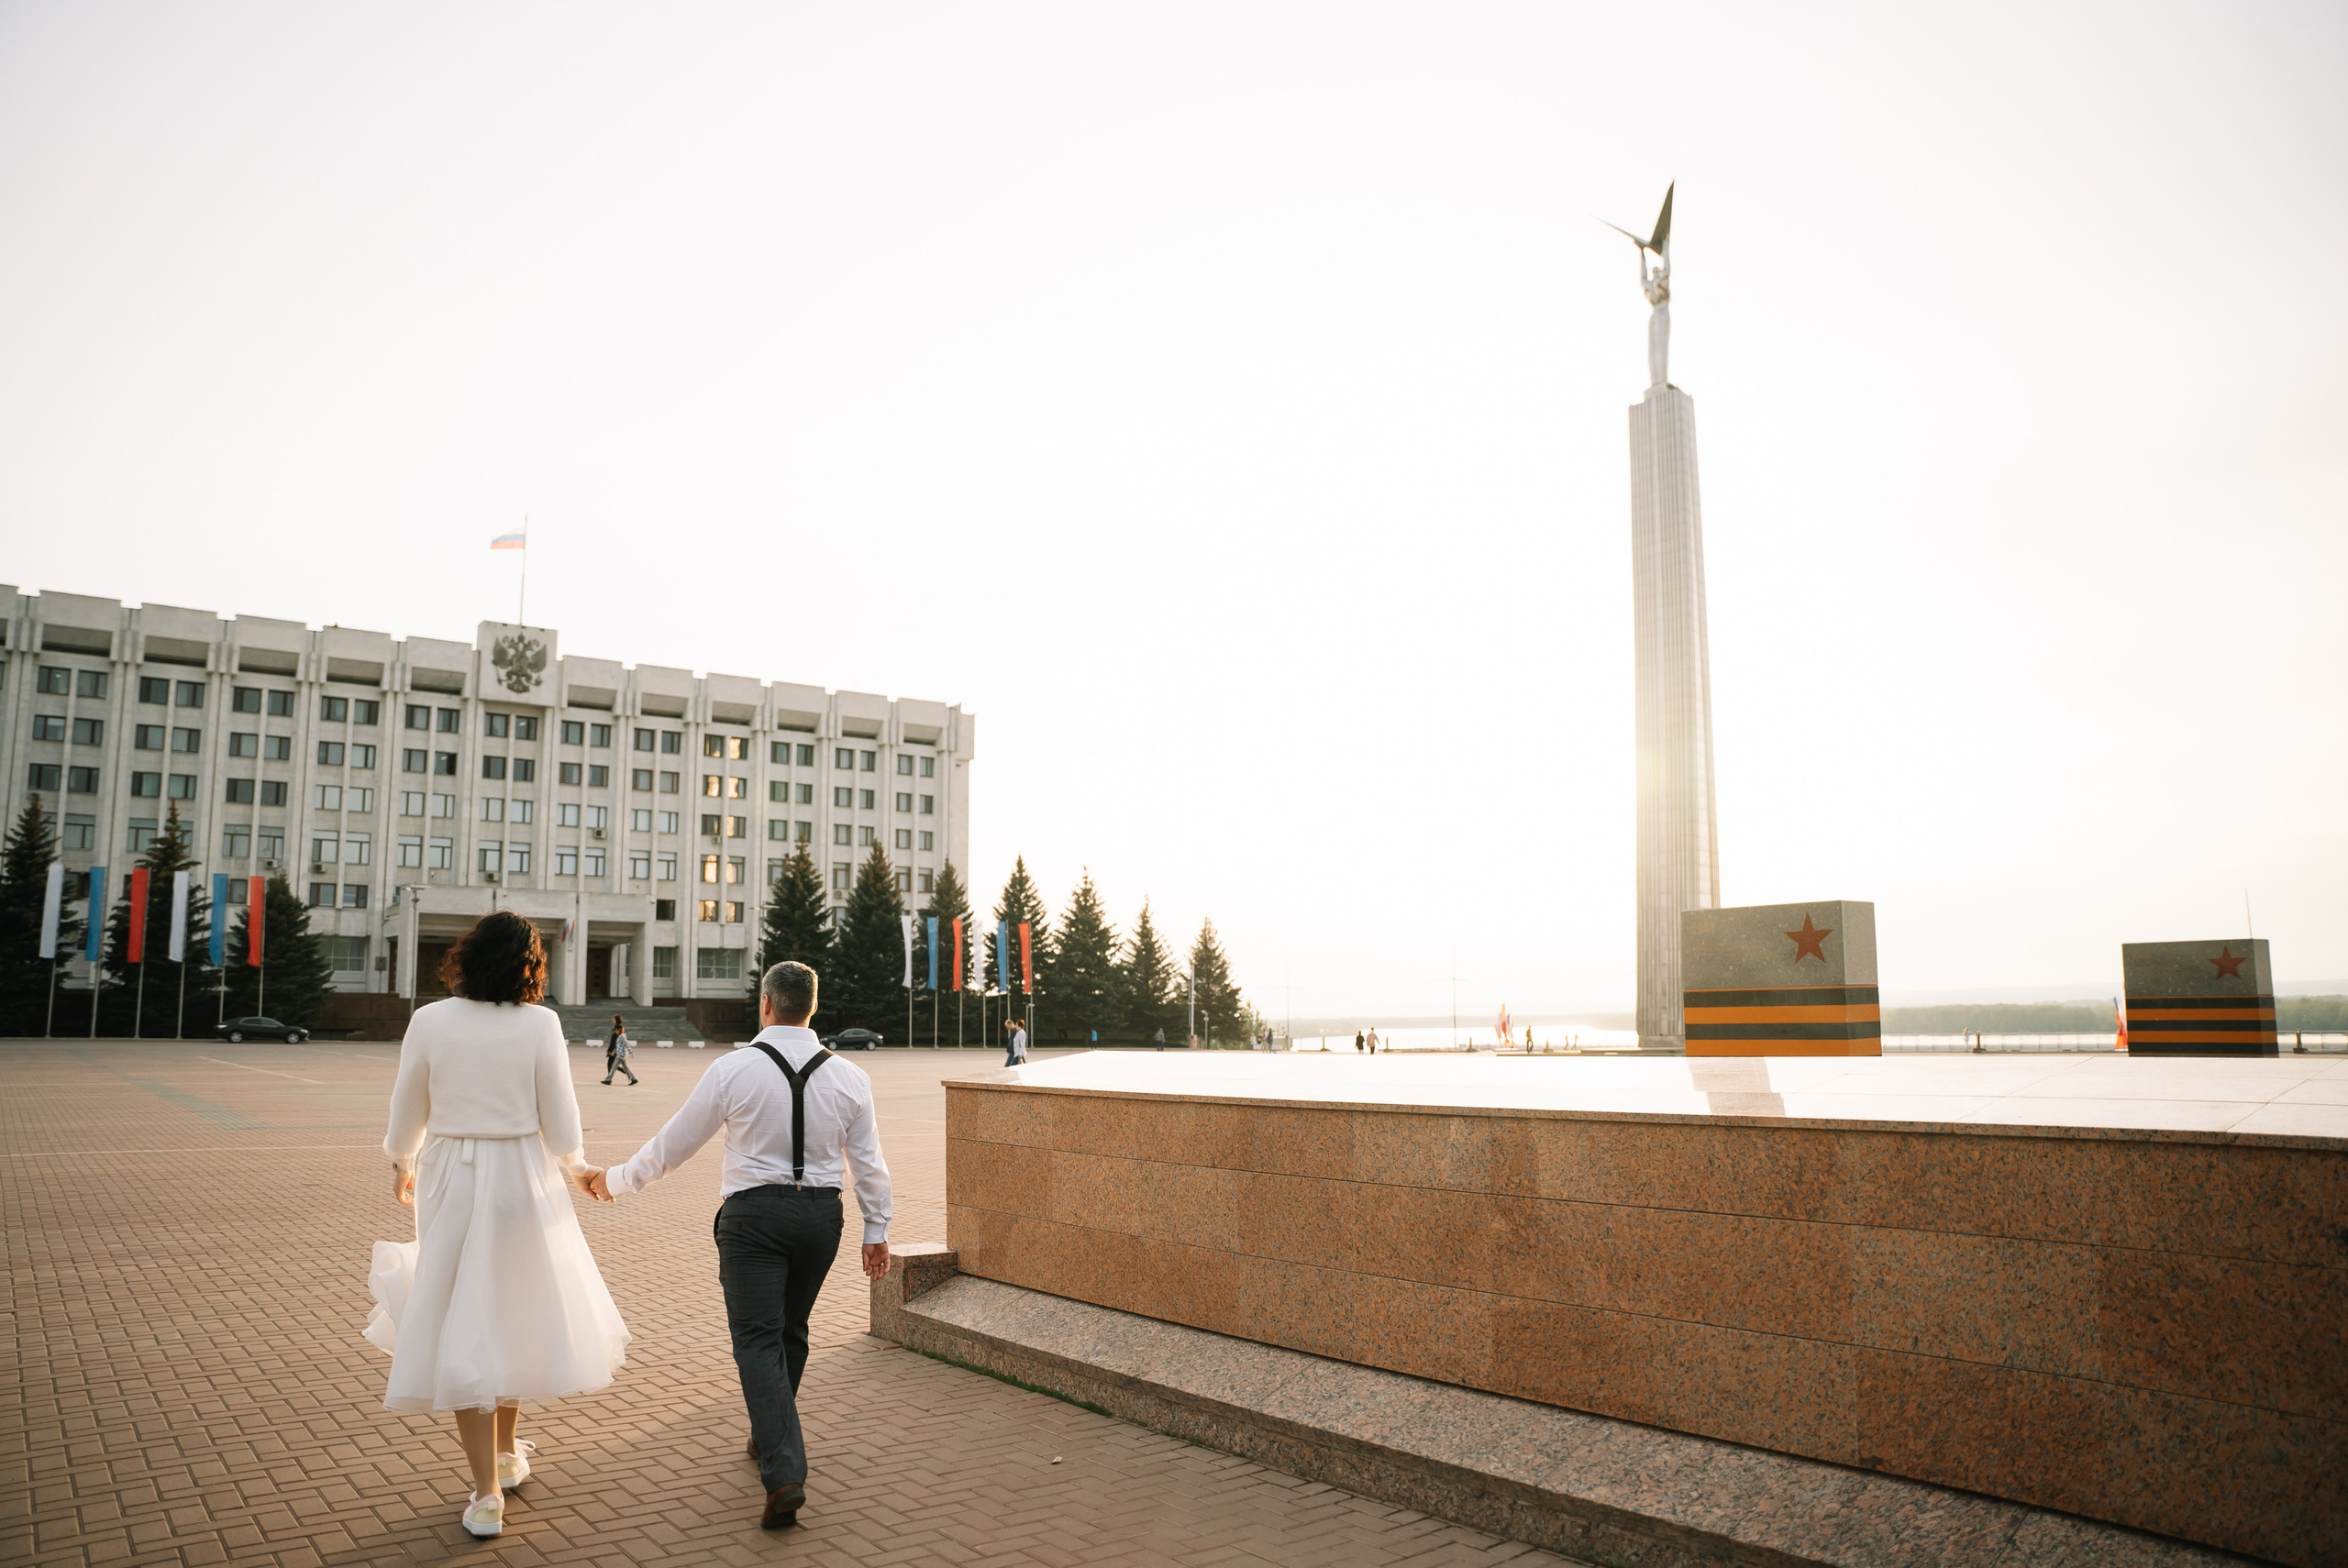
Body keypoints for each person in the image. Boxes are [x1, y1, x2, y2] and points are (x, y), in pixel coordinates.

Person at [585, 962, 892, 1530]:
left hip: (753, 1219)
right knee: (791, 1330)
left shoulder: (733, 1068)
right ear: (813, 1008)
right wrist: (877, 1230)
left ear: (766, 1004)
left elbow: (677, 1142)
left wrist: (618, 1180)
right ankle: (769, 1433)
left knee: (756, 1339)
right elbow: (869, 1162)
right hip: (821, 1218)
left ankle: (785, 1474)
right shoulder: (850, 1076)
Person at [370, 911, 629, 1540]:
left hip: (451, 1175)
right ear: (529, 966)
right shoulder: (540, 1023)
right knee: (510, 1308)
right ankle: (508, 1455)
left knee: (464, 1317)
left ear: (468, 956)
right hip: (521, 1174)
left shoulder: (430, 1020)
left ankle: (487, 1492)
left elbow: (407, 1106)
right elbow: (560, 1117)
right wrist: (577, 1167)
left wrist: (402, 1162)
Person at [603, 1016, 637, 1086]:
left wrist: (631, 1053)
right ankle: (633, 1079)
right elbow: (618, 1045)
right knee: (625, 1067)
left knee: (613, 1067)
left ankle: (608, 1080)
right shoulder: (619, 1036)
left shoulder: (622, 1036)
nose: (616, 1031)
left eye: (617, 1030)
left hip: (621, 1055)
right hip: (620, 1054)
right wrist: (613, 1051)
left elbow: (627, 1044)